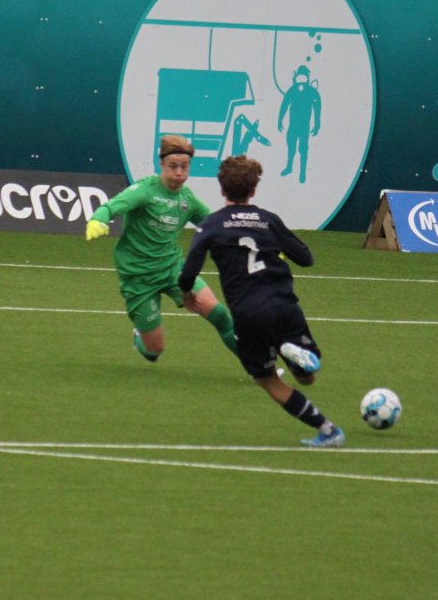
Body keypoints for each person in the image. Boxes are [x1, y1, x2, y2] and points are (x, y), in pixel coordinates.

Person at [178, 155, 345, 448]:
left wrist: (186, 293)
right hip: (285, 305)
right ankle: (293, 353)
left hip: (250, 313)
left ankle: (328, 430)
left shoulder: (210, 226)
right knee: (307, 378)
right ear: (253, 190)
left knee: (267, 379)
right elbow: (306, 258)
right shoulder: (269, 220)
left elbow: (189, 271)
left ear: (221, 188)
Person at [86, 134, 237, 363]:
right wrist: (98, 219)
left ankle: (261, 369)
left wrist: (259, 242)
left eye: (184, 166)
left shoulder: (187, 199)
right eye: (173, 166)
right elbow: (111, 206)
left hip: (172, 268)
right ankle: (140, 337)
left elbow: (217, 226)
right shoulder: (144, 190)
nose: (179, 173)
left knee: (219, 315)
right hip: (138, 276)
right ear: (161, 164)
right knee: (154, 351)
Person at [277, 65, 321, 184]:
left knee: (303, 148)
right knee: (291, 146)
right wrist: (280, 120)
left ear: (307, 78)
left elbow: (317, 109)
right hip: (293, 125)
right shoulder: (292, 90)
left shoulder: (312, 92)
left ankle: (302, 172)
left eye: (303, 77)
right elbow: (284, 105)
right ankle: (289, 167)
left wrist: (317, 124)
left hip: (304, 126)